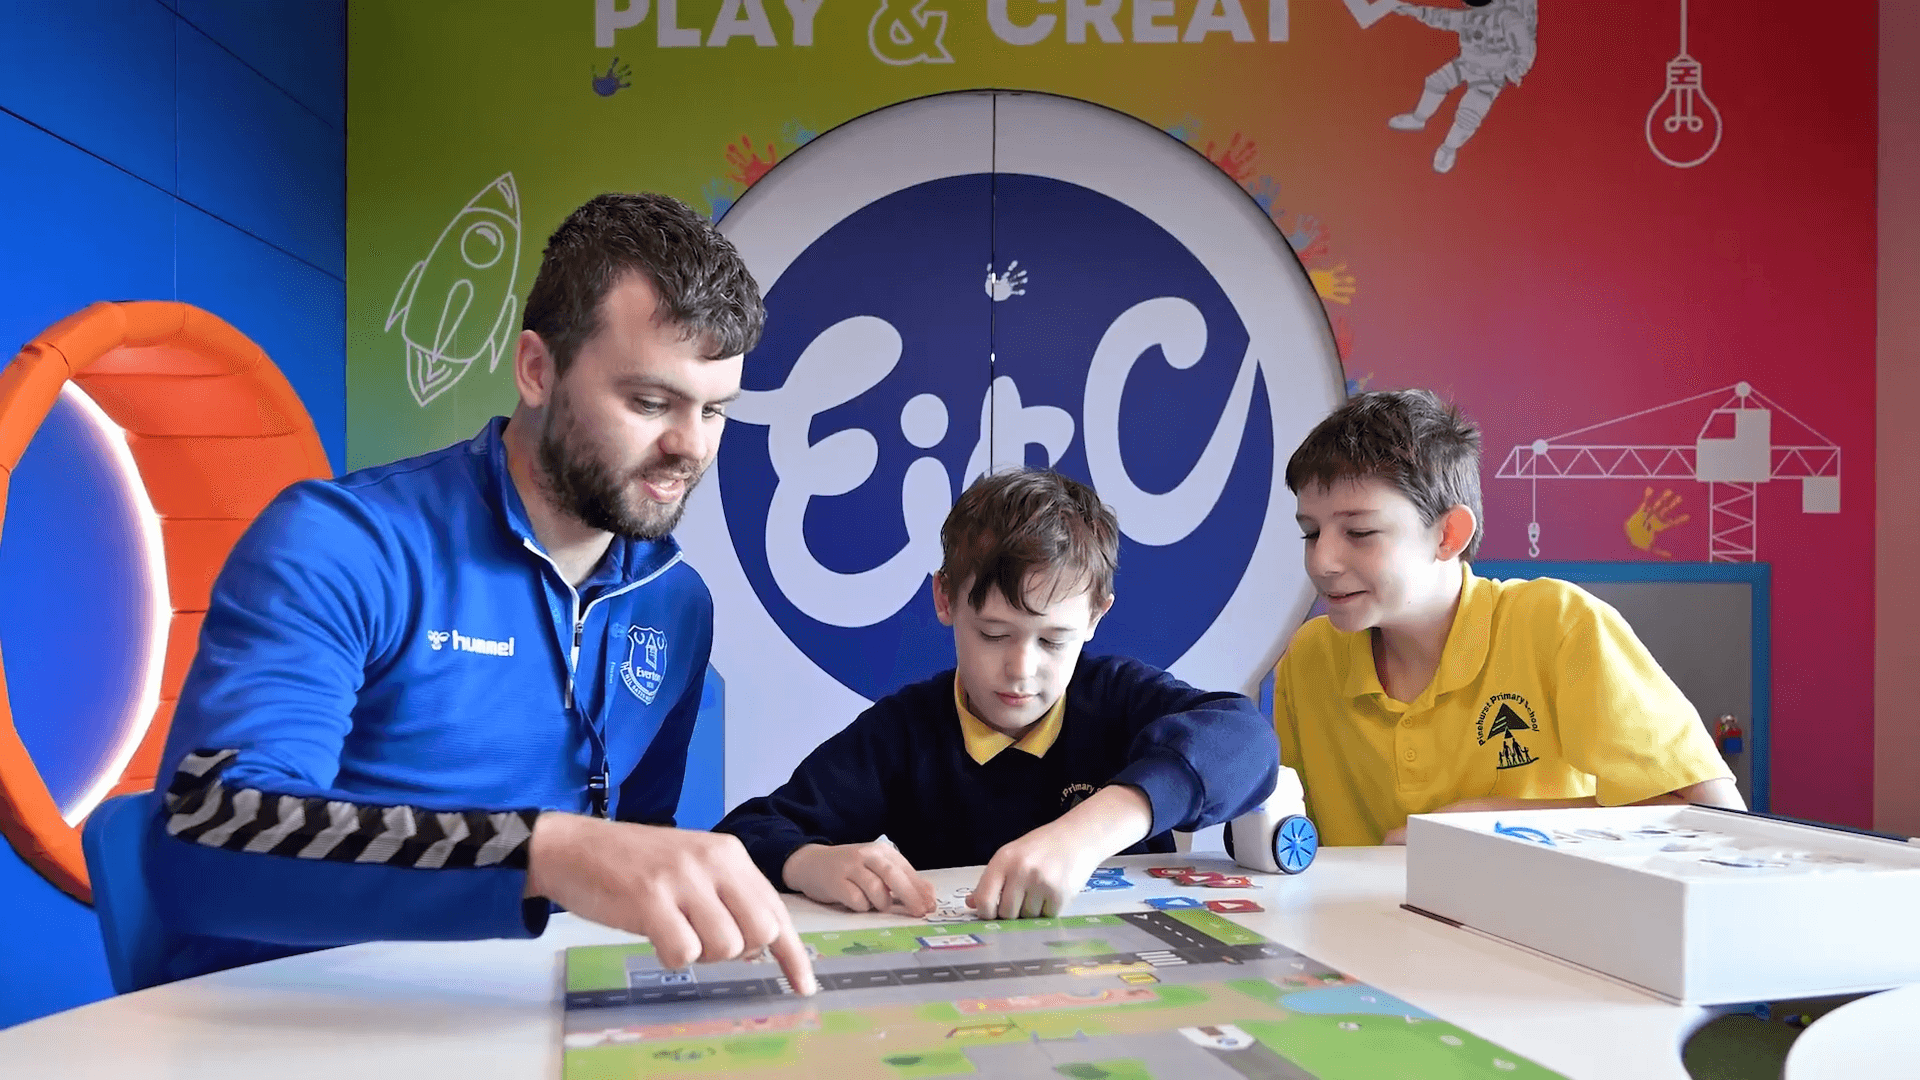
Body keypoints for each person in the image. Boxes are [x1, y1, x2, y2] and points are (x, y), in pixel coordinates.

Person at [148, 193, 816, 994]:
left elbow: (637, 848)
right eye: (649, 402)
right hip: (289, 1023)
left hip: (517, 1018)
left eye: (714, 410)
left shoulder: (676, 603)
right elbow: (206, 837)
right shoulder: (345, 543)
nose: (690, 446)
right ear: (537, 370)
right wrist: (546, 852)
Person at [713, 468, 1279, 921]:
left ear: (1095, 617)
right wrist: (810, 862)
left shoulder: (1114, 697)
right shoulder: (905, 732)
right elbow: (744, 834)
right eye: (992, 633)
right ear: (944, 599)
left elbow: (1246, 739)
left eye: (1053, 640)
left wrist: (1091, 830)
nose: (1020, 669)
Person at [1273, 389, 1742, 847]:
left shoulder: (1558, 624)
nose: (1322, 562)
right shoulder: (1309, 656)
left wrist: (1481, 823)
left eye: (1359, 531)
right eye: (1310, 533)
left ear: (1448, 535)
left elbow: (1715, 816)